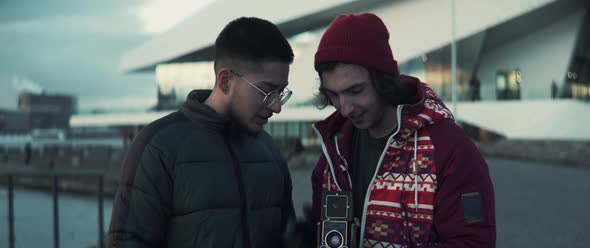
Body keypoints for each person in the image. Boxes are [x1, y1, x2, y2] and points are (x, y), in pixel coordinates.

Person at [309, 13, 496, 247]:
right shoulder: (333, 151)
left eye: (355, 90)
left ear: (383, 80)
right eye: (333, 95)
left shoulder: (450, 148)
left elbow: (472, 242)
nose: (344, 109)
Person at [108, 17, 296, 248]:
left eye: (282, 92)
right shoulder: (159, 146)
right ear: (225, 80)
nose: (277, 106)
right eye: (267, 91)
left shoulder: (270, 151)